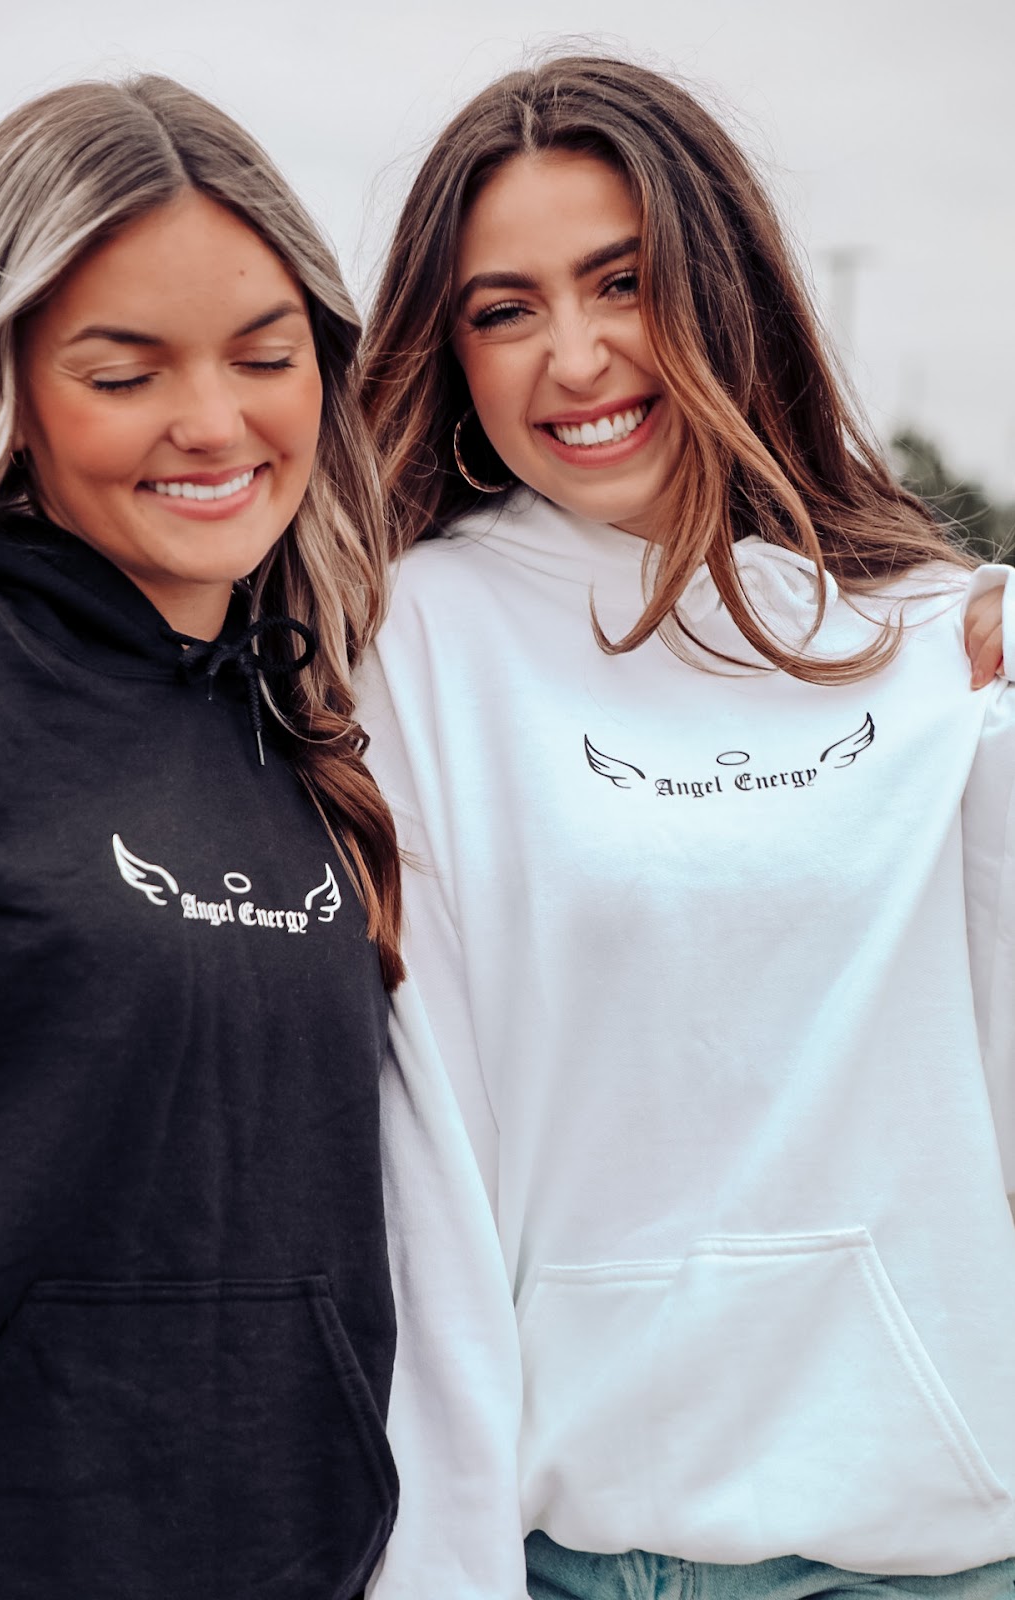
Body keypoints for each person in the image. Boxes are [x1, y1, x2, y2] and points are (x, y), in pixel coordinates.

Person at [356, 55, 1015, 1600]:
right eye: (502, 309)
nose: (574, 356)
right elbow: (420, 1161)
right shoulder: (414, 641)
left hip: (936, 1547)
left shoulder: (935, 639)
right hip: (578, 1552)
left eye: (623, 282)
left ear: (720, 287)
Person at [0, 76, 403, 1600]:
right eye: (123, 372)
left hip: (299, 1562)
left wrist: (925, 633)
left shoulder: (323, 709)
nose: (214, 424)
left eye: (263, 357)